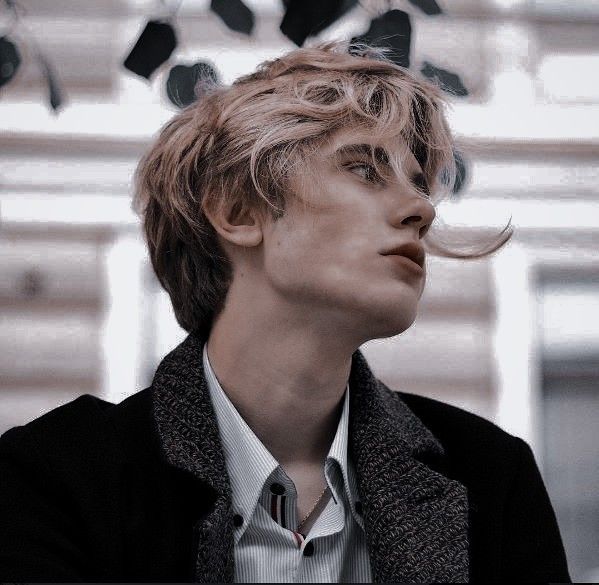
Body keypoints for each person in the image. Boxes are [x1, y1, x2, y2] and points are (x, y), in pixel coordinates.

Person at [0, 40, 570, 583]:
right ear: (238, 212)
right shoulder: (52, 477)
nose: (421, 209)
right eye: (365, 168)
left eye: (419, 184)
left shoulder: (492, 478)